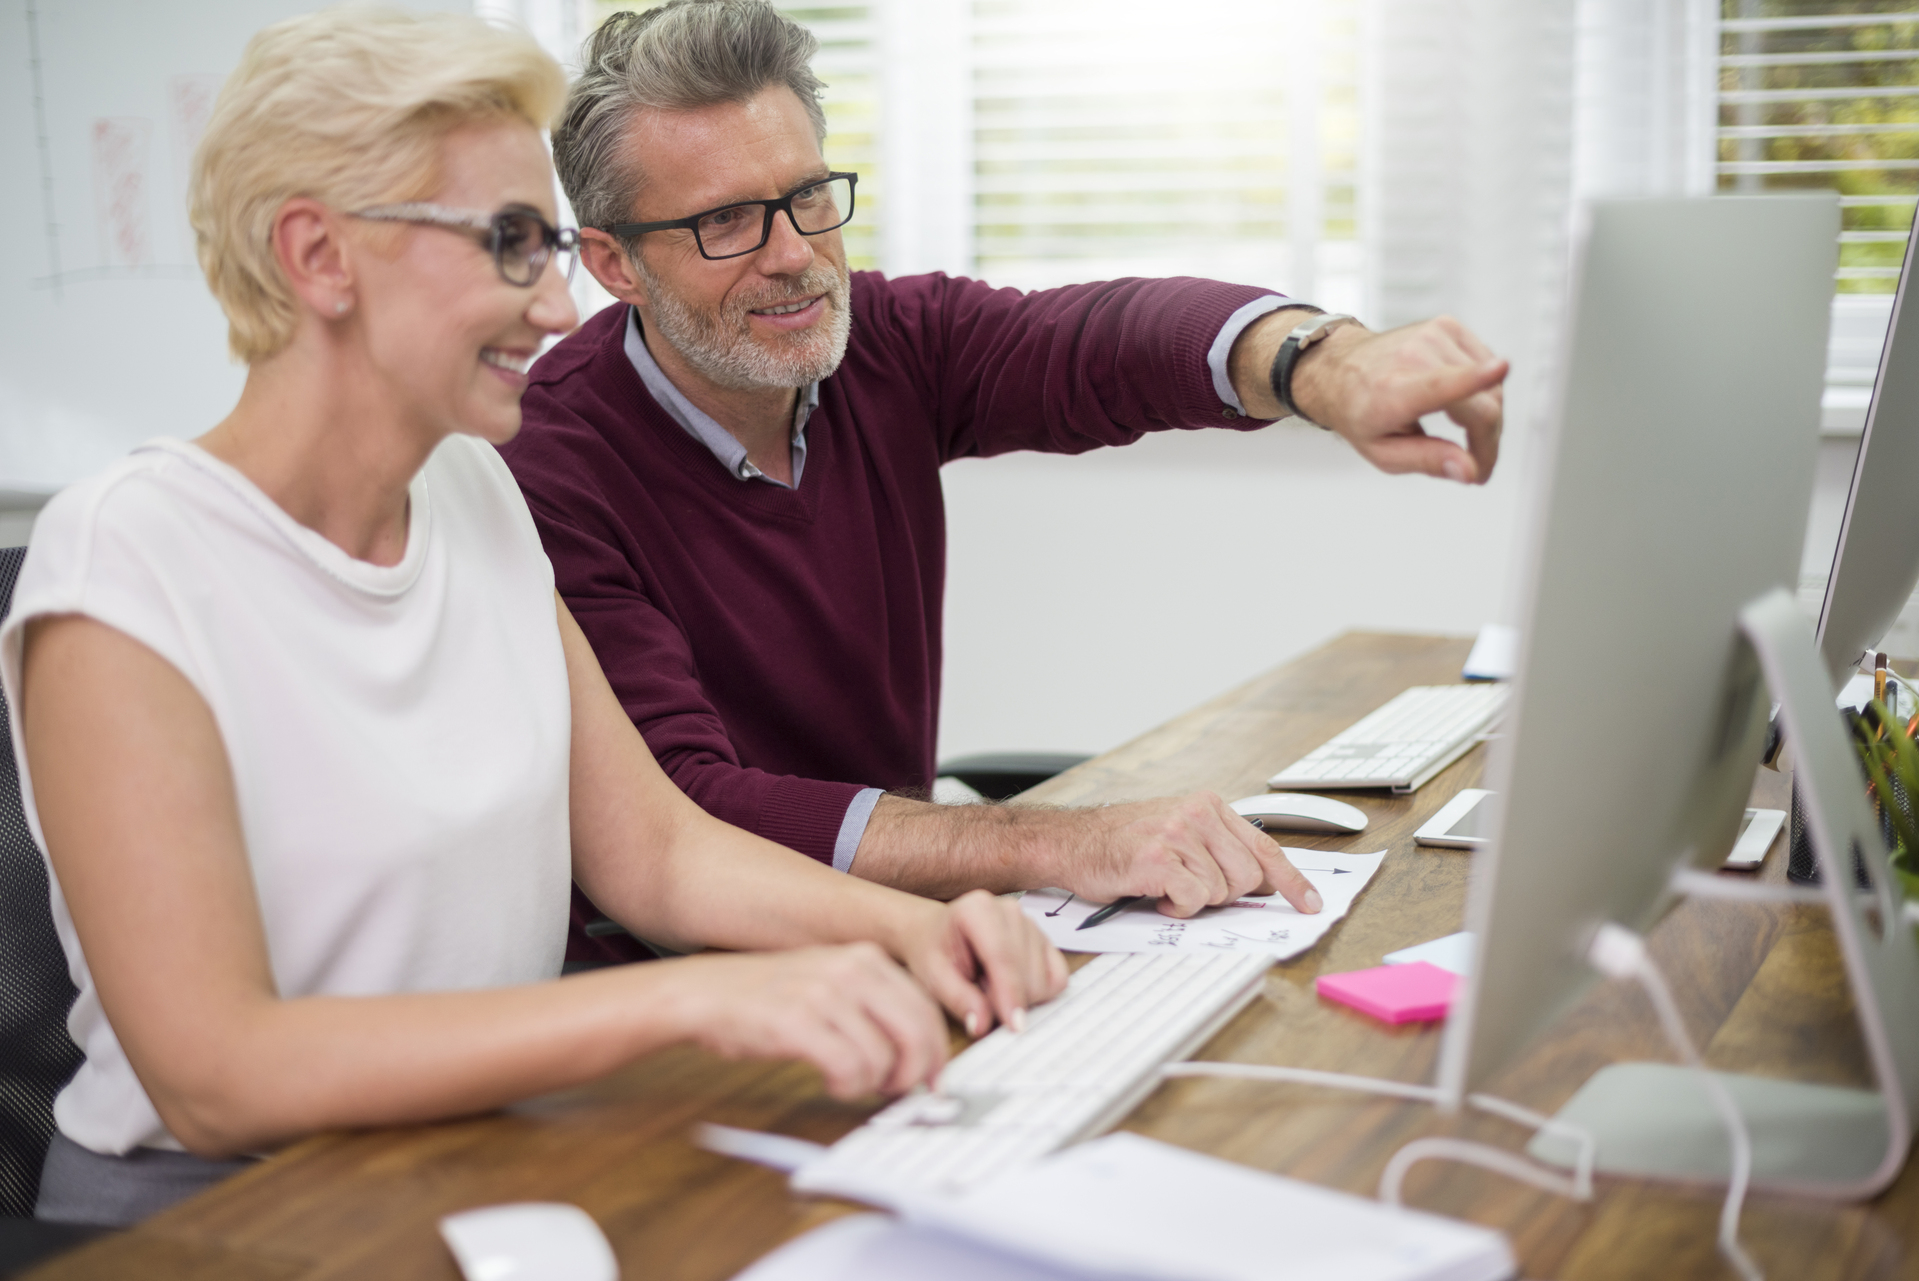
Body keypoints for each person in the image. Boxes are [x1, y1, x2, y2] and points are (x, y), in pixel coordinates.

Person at [5, 8, 1062, 1228]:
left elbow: (655, 854)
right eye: (510, 243)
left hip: (487, 1169)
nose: (563, 307)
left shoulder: (471, 492)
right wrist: (688, 1004)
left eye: (553, 244)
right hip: (231, 1218)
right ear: (318, 255)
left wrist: (917, 937)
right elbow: (218, 1074)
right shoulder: (132, 555)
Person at [503, 0, 1507, 965]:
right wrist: (1051, 840)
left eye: (808, 195)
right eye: (728, 222)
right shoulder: (548, 467)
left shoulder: (881, 346)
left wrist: (1321, 365)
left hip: (918, 949)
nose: (797, 256)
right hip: (686, 993)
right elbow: (684, 812)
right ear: (613, 262)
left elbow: (1098, 344)